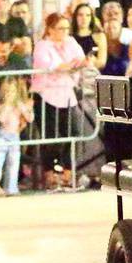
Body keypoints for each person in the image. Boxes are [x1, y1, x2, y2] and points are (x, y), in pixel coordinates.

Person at [30, 13, 89, 189]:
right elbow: (50, 66)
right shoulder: (42, 46)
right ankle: (49, 174)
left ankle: (67, 173)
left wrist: (75, 65)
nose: (64, 32)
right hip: (47, 95)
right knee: (51, 137)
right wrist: (68, 65)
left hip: (67, 93)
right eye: (60, 28)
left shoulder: (71, 42)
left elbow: (81, 59)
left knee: (72, 133)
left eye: (66, 28)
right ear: (50, 29)